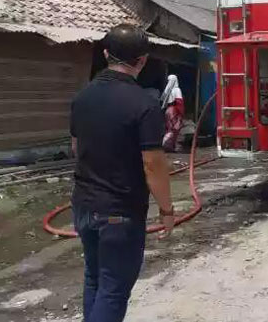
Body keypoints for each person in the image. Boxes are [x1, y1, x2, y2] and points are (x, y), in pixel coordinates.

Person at [70, 24, 175, 322]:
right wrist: (167, 210)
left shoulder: (82, 98)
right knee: (114, 291)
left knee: (95, 280)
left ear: (105, 54)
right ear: (142, 60)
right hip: (119, 214)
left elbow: (77, 148)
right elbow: (152, 164)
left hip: (84, 207)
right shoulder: (144, 104)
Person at [160, 74, 185, 152]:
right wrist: (181, 115)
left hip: (168, 110)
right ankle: (173, 146)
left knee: (169, 128)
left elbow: (163, 101)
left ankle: (168, 146)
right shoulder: (177, 90)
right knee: (175, 129)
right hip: (174, 110)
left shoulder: (167, 91)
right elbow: (179, 103)